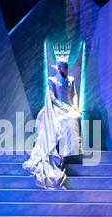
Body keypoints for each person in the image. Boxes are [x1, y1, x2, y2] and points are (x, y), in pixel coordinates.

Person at [23, 60, 83, 189]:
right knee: (66, 119)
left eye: (66, 67)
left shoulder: (71, 79)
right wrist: (62, 106)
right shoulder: (52, 80)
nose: (65, 69)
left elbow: (74, 95)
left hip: (69, 107)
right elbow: (52, 97)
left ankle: (71, 150)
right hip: (57, 107)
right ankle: (62, 154)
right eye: (63, 67)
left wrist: (75, 107)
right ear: (59, 68)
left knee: (76, 116)